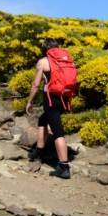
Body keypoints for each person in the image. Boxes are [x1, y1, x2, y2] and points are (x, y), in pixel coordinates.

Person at [25, 39, 71, 179]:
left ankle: (64, 167)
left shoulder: (43, 62)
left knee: (57, 132)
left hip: (51, 99)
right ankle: (39, 151)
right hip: (64, 99)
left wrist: (29, 102)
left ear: (44, 49)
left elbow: (36, 85)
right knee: (43, 119)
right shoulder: (65, 60)